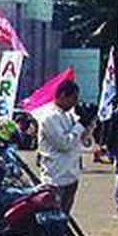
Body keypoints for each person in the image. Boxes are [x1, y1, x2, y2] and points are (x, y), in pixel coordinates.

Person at [36, 79, 88, 215]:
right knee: (53, 218)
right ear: (63, 95)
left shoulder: (68, 115)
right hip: (55, 178)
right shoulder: (49, 116)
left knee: (64, 217)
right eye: (73, 98)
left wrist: (87, 123)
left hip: (71, 176)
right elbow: (64, 144)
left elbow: (79, 140)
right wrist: (80, 125)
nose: (74, 103)